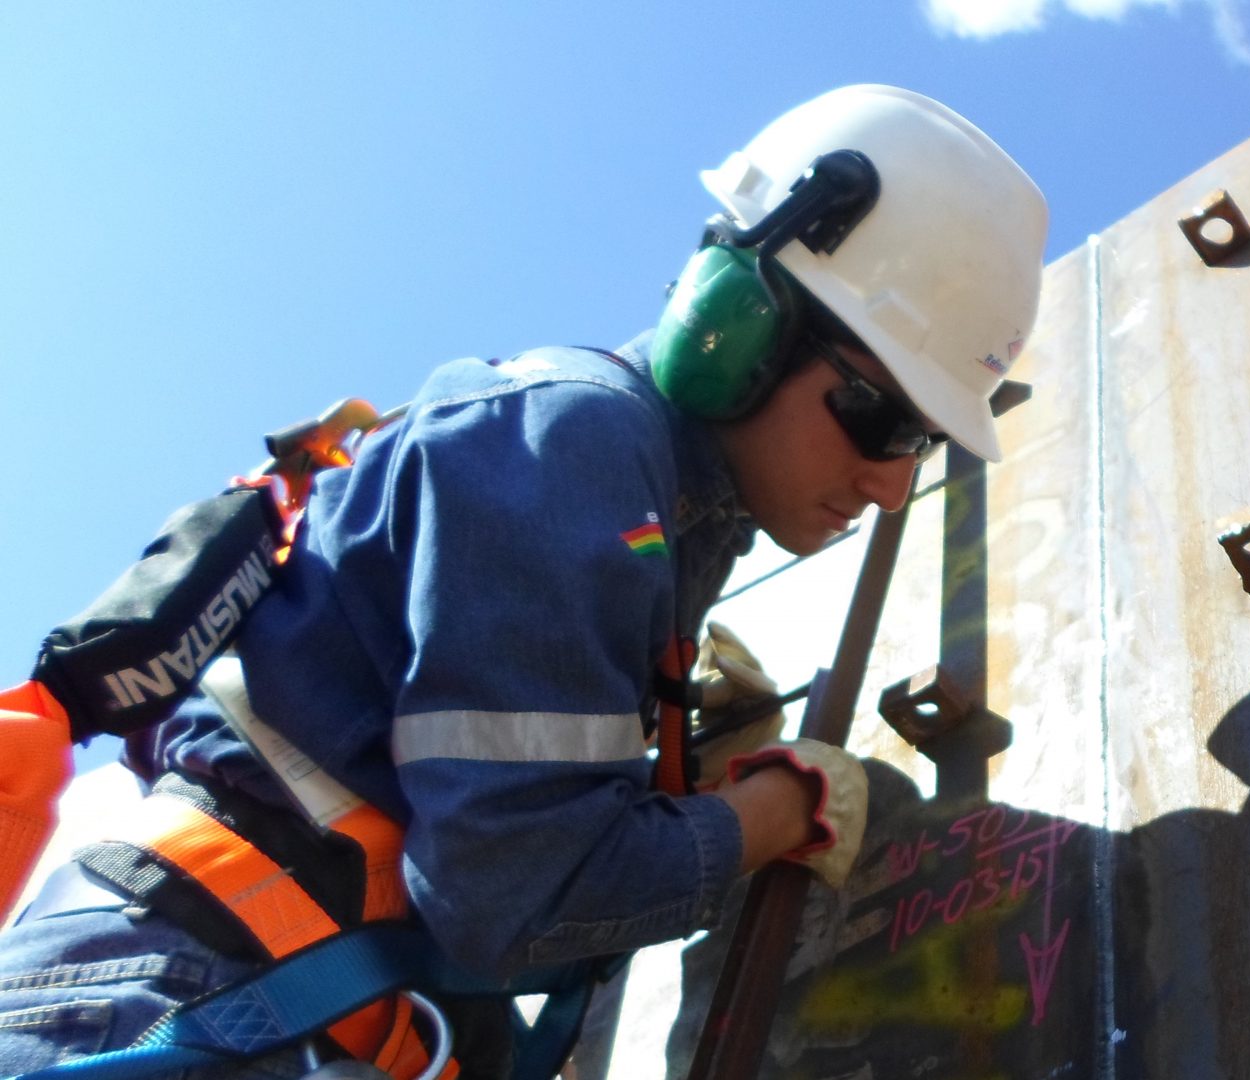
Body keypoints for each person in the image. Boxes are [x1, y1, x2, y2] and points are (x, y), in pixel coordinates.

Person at [0, 84, 1047, 1079]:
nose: (895, 483)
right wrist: (785, 806)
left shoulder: (669, 514)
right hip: (172, 996)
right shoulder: (575, 445)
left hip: (278, 1000)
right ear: (743, 325)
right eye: (886, 419)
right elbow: (514, 899)